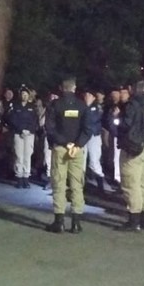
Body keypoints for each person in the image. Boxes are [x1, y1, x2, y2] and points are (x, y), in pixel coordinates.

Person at [44, 77, 91, 233]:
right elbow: (88, 128)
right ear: (74, 88)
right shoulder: (82, 105)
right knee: (77, 184)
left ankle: (59, 222)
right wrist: (77, 144)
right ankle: (76, 222)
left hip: (61, 148)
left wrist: (65, 143)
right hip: (77, 150)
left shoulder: (55, 105)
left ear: (61, 88)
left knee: (59, 184)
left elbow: (50, 128)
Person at [117, 80, 144, 231]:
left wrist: (118, 119)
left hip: (134, 148)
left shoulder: (133, 104)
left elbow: (126, 124)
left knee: (131, 183)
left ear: (133, 89)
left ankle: (134, 219)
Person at [6, 85, 38, 188]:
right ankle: (19, 178)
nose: (24, 96)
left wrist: (28, 130)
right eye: (23, 94)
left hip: (29, 134)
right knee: (19, 156)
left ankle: (26, 178)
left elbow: (34, 121)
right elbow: (12, 119)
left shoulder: (32, 107)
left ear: (28, 96)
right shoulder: (16, 106)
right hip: (18, 133)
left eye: (26, 94)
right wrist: (21, 130)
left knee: (27, 156)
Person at [82, 88, 106, 191]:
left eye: (89, 95)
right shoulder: (82, 106)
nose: (87, 96)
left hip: (93, 136)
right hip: (83, 136)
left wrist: (87, 108)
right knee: (81, 162)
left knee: (94, 161)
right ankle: (80, 185)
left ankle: (100, 185)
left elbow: (92, 119)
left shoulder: (96, 107)